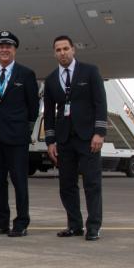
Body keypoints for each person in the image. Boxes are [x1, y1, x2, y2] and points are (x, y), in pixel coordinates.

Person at [43, 35, 107, 241]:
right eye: (58, 50)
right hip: (64, 139)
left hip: (88, 137)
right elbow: (50, 113)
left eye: (65, 49)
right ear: (54, 53)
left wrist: (99, 132)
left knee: (92, 183)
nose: (62, 53)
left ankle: (94, 226)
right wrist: (50, 141)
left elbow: (100, 103)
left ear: (73, 50)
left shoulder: (90, 72)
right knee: (66, 184)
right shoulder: (52, 79)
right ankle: (74, 225)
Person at [0, 31, 39, 238]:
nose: (4, 50)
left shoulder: (26, 74)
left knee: (19, 181)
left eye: (8, 46)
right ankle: (1, 222)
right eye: (1, 47)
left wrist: (25, 130)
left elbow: (33, 106)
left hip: (16, 138)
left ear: (14, 50)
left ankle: (21, 222)